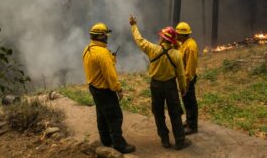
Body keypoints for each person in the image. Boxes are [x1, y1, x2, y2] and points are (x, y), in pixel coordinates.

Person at [129, 15, 192, 150]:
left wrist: (133, 25)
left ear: (163, 38)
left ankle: (164, 140)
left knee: (158, 113)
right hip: (170, 86)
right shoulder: (176, 54)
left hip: (156, 85)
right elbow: (181, 75)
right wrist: (183, 89)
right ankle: (180, 141)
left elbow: (139, 40)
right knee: (175, 113)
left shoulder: (153, 49)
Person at [82, 22, 135, 154]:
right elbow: (110, 76)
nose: (107, 37)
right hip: (105, 90)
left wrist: (111, 60)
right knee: (115, 116)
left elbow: (98, 67)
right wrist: (118, 89)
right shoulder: (103, 53)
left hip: (94, 88)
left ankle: (106, 141)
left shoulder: (88, 49)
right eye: (105, 35)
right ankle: (119, 144)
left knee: (102, 115)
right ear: (101, 36)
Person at [176, 22, 199, 135]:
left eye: (178, 34)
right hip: (183, 78)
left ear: (183, 35)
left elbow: (190, 67)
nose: (176, 36)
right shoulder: (183, 43)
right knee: (186, 100)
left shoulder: (191, 46)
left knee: (190, 101)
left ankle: (193, 126)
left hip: (188, 79)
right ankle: (189, 121)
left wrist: (187, 81)